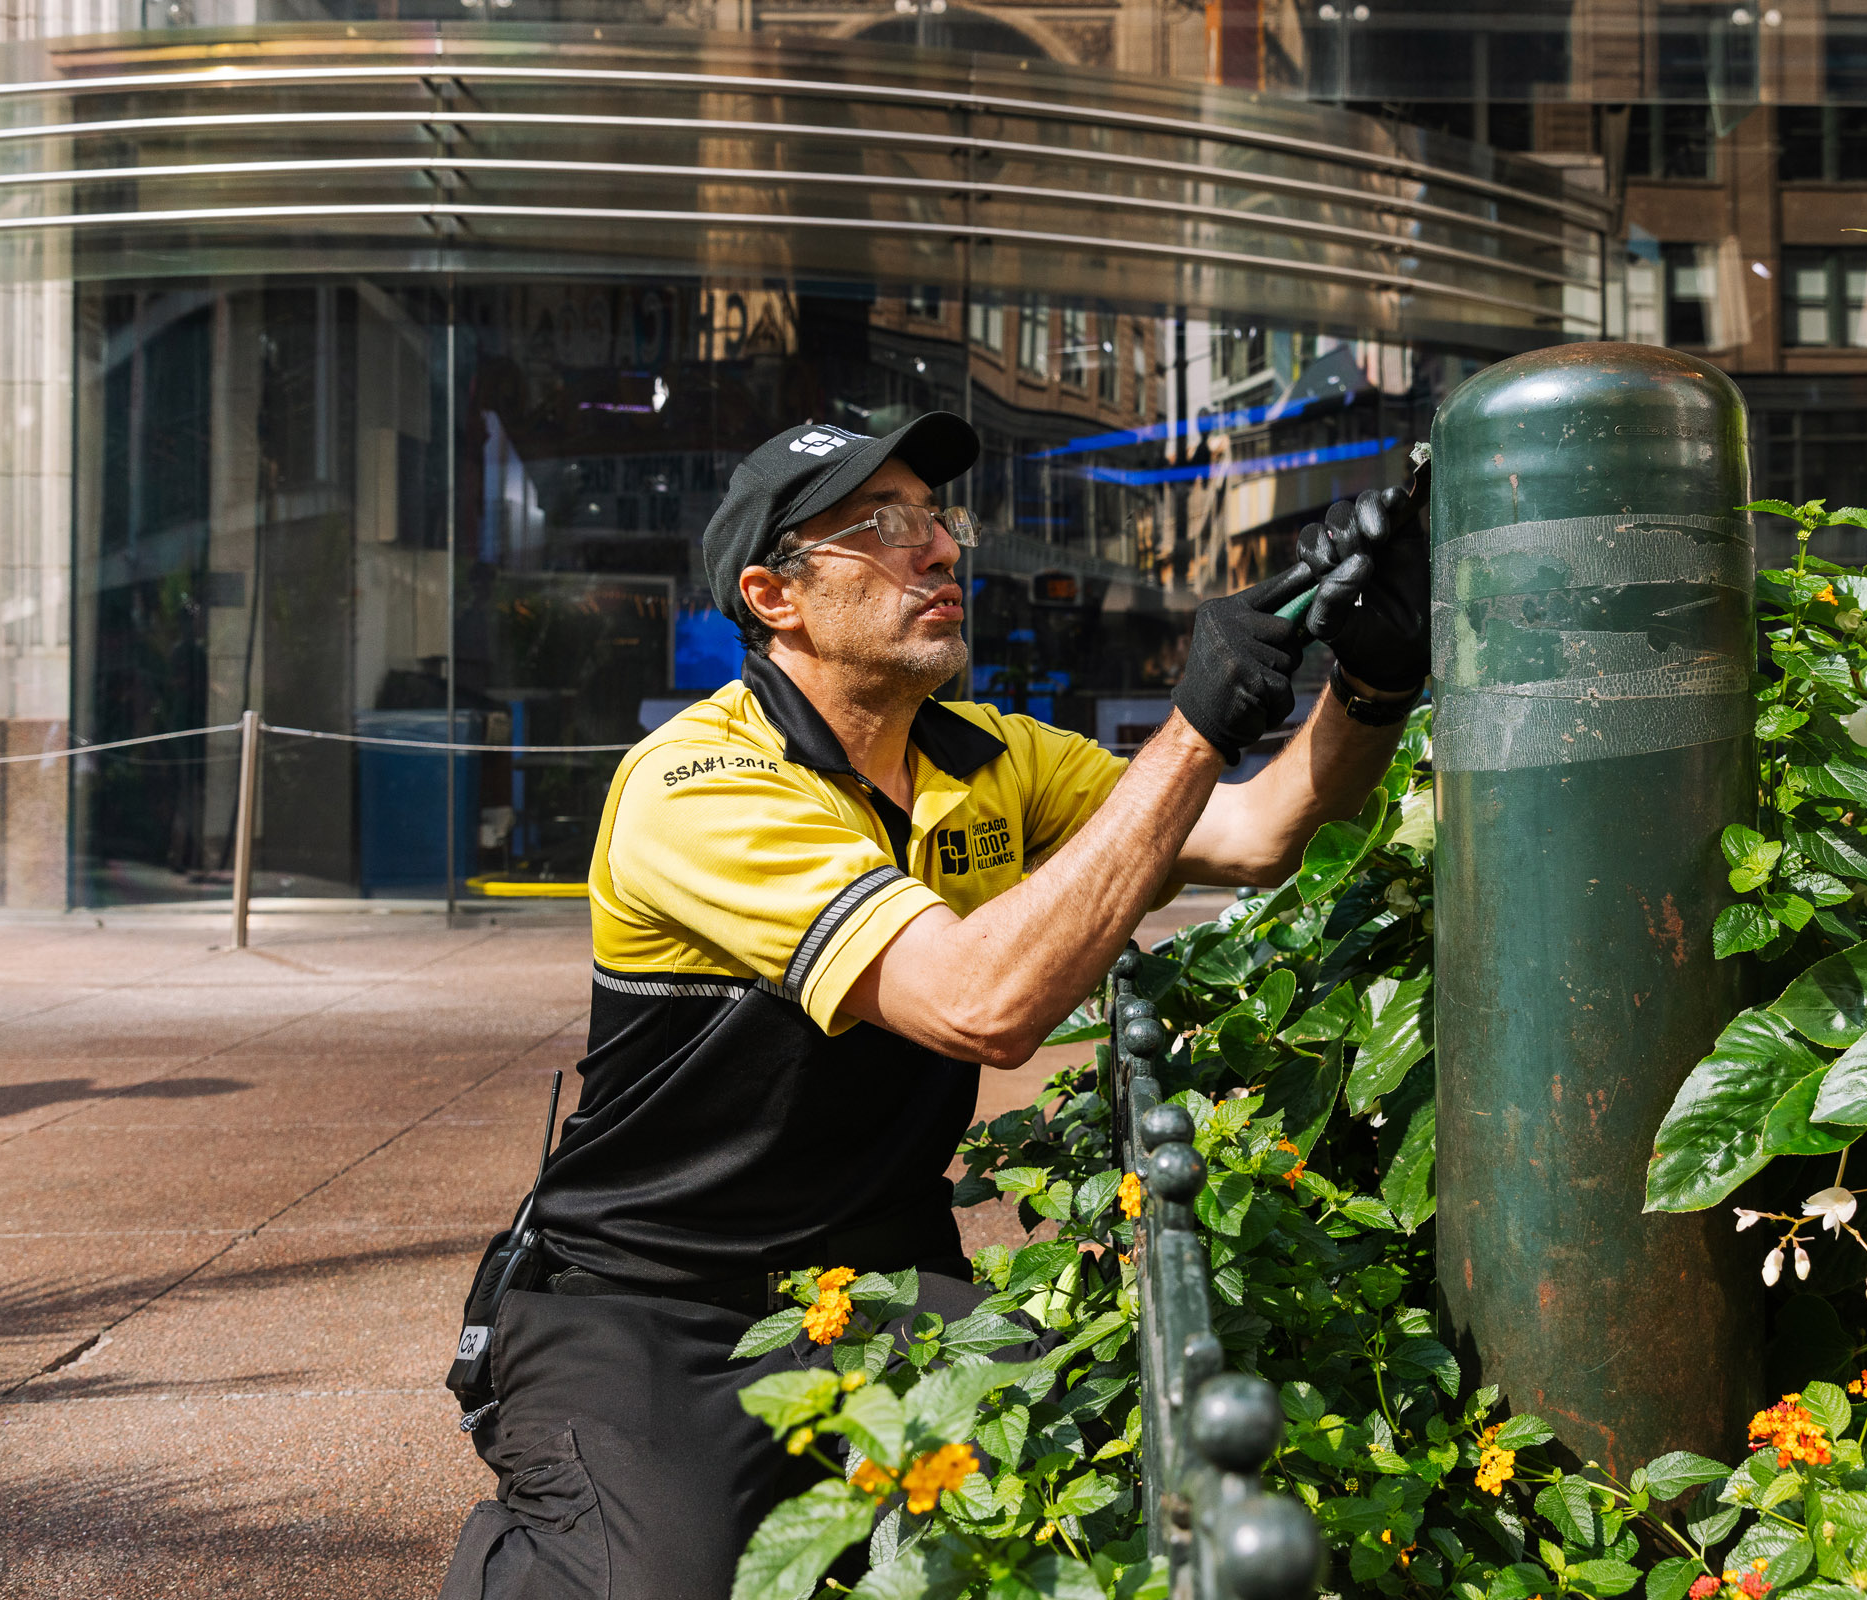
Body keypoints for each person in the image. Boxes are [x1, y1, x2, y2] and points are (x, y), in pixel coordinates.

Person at [438, 410, 1429, 1599]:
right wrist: (1191, 727)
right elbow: (981, 1004)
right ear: (774, 595)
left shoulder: (993, 757)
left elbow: (1256, 834)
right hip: (649, 1302)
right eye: (882, 528)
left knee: (1078, 1519)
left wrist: (1365, 684)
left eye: (939, 520)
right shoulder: (695, 784)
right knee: (655, 1582)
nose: (942, 550)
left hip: (886, 1280)